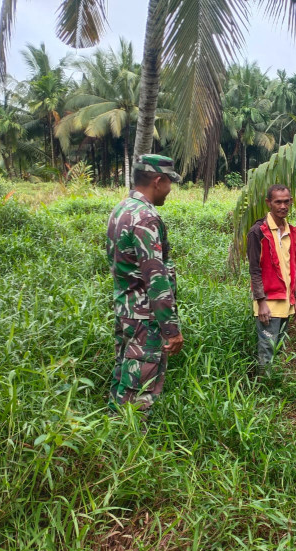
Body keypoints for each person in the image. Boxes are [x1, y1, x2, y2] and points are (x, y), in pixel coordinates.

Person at [106, 154, 184, 415]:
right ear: (158, 181)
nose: (170, 190)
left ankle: (111, 427)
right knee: (140, 384)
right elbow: (156, 278)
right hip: (144, 316)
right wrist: (171, 329)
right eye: (170, 182)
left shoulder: (122, 209)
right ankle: (131, 444)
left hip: (125, 308)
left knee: (124, 371)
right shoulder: (146, 218)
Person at [246, 184, 296, 371]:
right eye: (278, 202)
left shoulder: (290, 230)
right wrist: (261, 301)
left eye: (286, 202)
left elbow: (294, 266)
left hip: (287, 300)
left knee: (279, 347)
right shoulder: (258, 232)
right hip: (268, 303)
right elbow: (254, 270)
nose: (283, 206)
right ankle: (264, 389)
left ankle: (275, 388)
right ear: (268, 203)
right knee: (267, 348)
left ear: (291, 202)